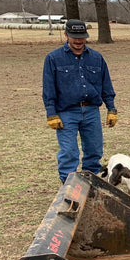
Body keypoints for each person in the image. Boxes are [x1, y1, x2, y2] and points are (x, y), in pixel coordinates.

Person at [42, 19, 118, 183]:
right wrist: (51, 113)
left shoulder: (96, 58)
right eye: (74, 36)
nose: (78, 41)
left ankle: (90, 185)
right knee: (69, 152)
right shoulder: (53, 58)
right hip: (66, 112)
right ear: (66, 35)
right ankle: (68, 188)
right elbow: (48, 89)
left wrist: (111, 109)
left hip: (91, 111)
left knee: (94, 150)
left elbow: (106, 85)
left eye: (82, 36)